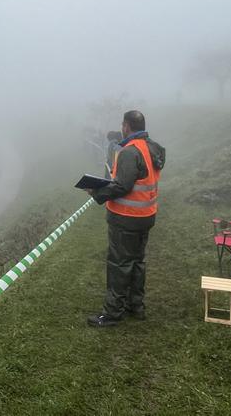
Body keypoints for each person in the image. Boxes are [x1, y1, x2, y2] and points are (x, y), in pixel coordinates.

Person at [85, 110, 165, 327]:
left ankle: (112, 313)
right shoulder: (153, 148)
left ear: (126, 126)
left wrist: (97, 193)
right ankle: (135, 305)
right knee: (137, 262)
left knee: (119, 264)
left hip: (125, 218)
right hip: (146, 216)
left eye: (122, 125)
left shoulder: (130, 152)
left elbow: (122, 185)